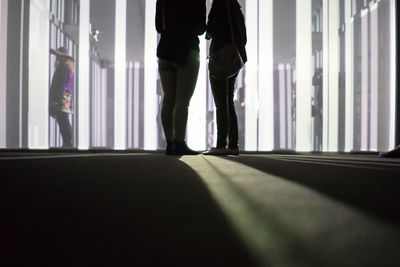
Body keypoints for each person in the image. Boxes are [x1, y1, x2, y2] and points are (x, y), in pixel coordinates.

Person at [156, 0, 206, 155]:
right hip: (187, 49)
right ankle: (179, 143)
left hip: (165, 50)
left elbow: (158, 26)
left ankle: (170, 143)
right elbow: (200, 28)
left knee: (168, 98)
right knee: (182, 100)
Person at [203, 0, 247, 156]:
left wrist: (208, 33)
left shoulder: (219, 4)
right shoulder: (236, 7)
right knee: (228, 102)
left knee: (221, 102)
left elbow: (211, 30)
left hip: (220, 58)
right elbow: (244, 37)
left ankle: (221, 144)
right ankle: (233, 145)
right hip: (234, 59)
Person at [49, 47, 74, 148]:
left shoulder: (63, 67)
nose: (57, 57)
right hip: (66, 98)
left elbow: (60, 85)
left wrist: (55, 100)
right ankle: (67, 143)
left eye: (59, 55)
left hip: (62, 98)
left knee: (63, 121)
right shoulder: (68, 67)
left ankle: (67, 143)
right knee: (64, 121)